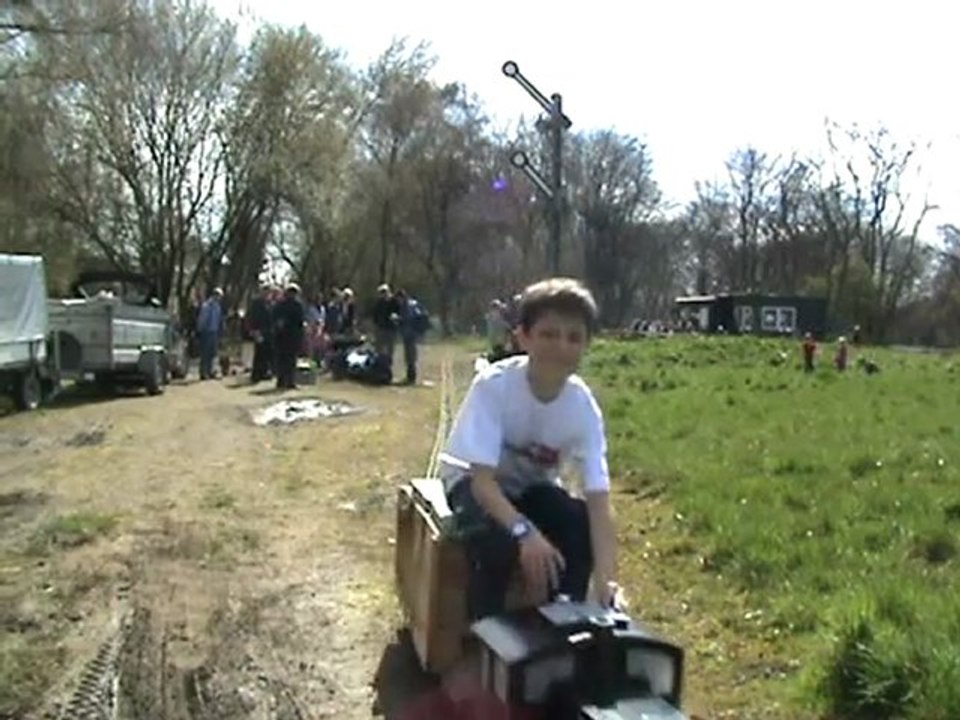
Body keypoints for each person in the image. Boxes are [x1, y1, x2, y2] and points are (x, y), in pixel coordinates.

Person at [438, 277, 621, 625]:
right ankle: (488, 632)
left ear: (586, 345)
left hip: (529, 488)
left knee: (577, 521)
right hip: (474, 484)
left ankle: (566, 620)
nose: (561, 347)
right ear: (523, 337)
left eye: (574, 338)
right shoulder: (495, 385)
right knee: (496, 542)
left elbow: (599, 501)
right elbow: (482, 484)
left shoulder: (582, 407)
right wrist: (525, 533)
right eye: (549, 334)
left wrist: (606, 578)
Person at [272, 283, 305, 390]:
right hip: (290, 336)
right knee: (289, 359)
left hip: (283, 336)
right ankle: (288, 381)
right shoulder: (297, 305)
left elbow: (275, 319)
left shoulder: (280, 304)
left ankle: (282, 381)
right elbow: (300, 322)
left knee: (283, 359)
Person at [196, 287, 224, 380]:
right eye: (219, 296)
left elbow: (219, 319)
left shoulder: (217, 306)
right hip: (206, 332)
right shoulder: (206, 306)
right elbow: (202, 319)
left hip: (214, 332)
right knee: (205, 353)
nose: (220, 298)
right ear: (214, 295)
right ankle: (203, 372)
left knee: (213, 353)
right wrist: (200, 330)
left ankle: (210, 371)